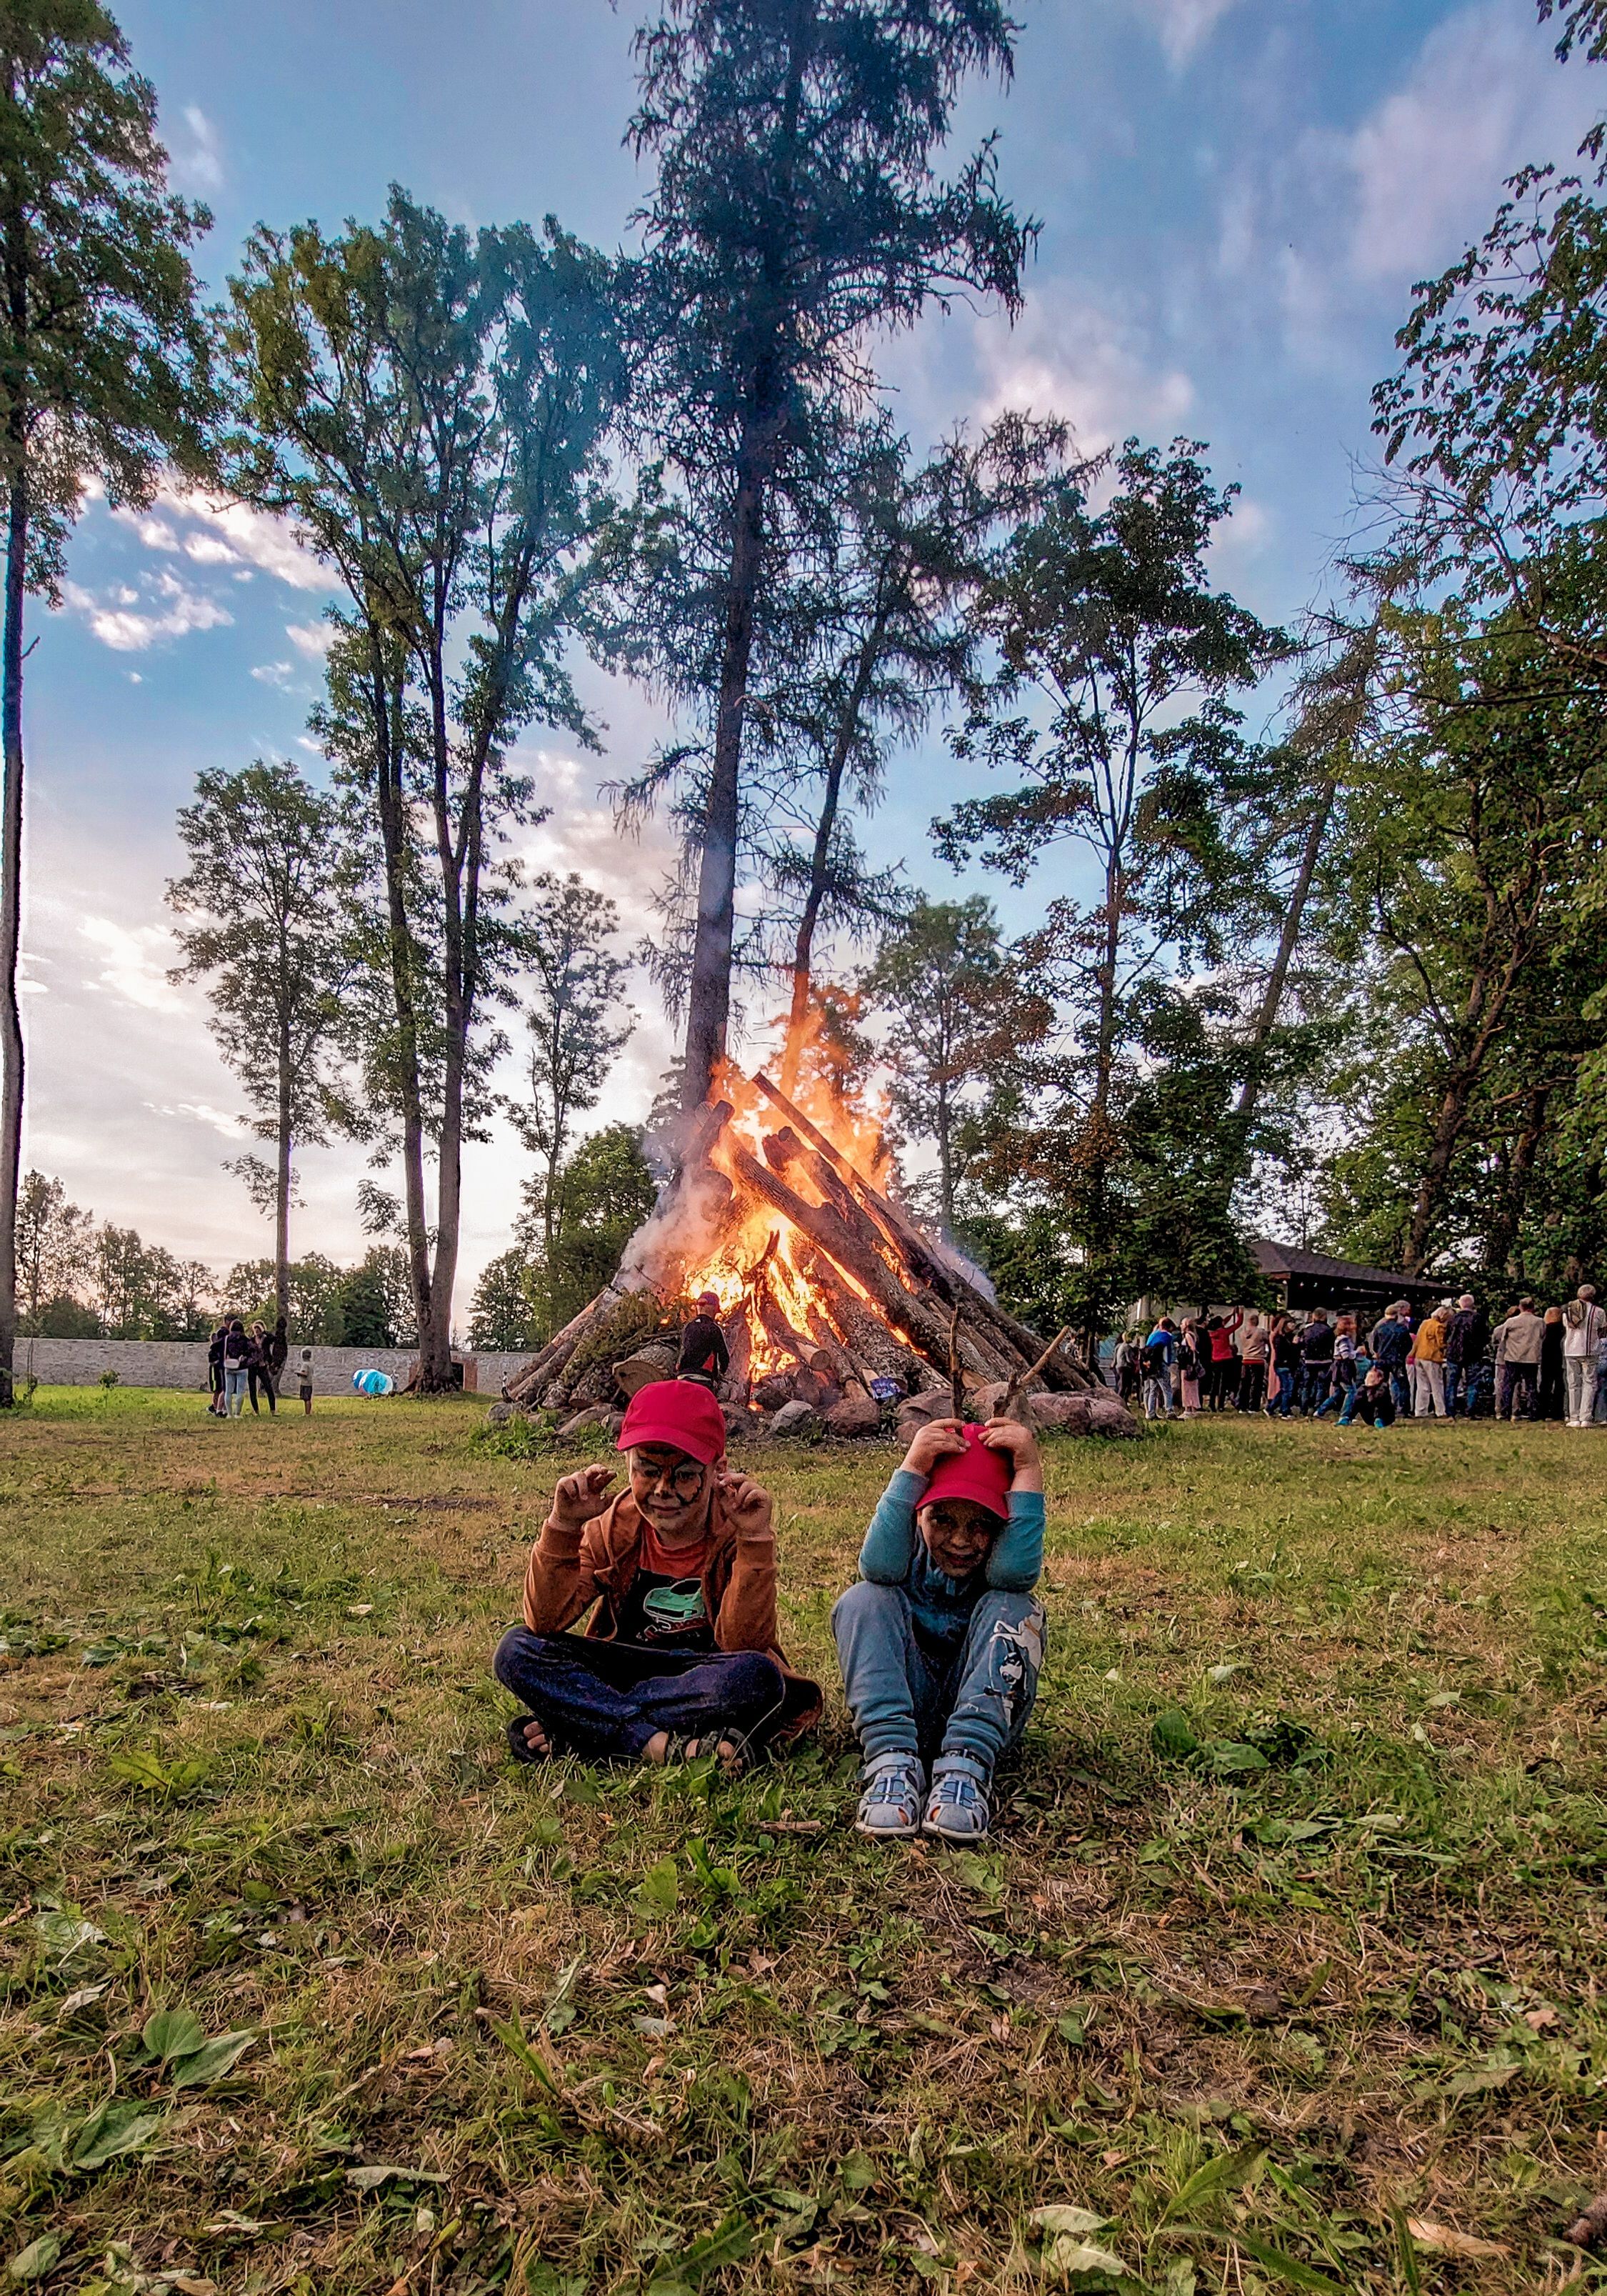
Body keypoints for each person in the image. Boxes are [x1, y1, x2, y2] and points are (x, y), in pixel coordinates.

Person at [494, 1379, 819, 1774]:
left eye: (683, 1475)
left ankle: (584, 1726)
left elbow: (744, 1645)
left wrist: (754, 1540)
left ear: (718, 1470)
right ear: (629, 1465)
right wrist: (563, 1526)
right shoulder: (612, 1525)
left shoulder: (738, 1524)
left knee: (757, 1678)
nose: (663, 1490)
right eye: (647, 1471)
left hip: (703, 1673)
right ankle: (658, 1744)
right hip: (626, 1664)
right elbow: (545, 1620)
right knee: (517, 1649)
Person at [833, 1414, 1045, 1845]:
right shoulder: (903, 1560)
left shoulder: (997, 1575)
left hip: (979, 1721)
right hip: (902, 1712)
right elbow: (876, 1567)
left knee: (1016, 1609)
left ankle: (967, 1769)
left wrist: (1027, 1470)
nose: (962, 1541)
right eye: (942, 1520)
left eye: (981, 1524)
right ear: (918, 1516)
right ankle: (891, 1763)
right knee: (863, 1599)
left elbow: (1016, 1575)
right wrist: (912, 1470)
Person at [1493, 1297, 1545, 1420]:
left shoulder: (1511, 1322)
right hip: (1531, 1358)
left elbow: (1501, 1336)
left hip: (1513, 1357)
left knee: (1509, 1386)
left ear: (1520, 1307)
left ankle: (1506, 1411)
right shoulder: (1539, 1322)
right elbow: (1543, 1335)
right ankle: (1533, 1412)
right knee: (1531, 1386)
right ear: (1533, 1308)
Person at [1563, 1285, 1606, 1427]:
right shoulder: (1599, 1312)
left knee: (1573, 1383)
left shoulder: (1568, 1310)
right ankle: (1586, 1417)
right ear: (1592, 1296)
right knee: (1590, 1383)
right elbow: (1602, 1331)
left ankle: (1574, 1417)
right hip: (1590, 1350)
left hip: (1571, 1349)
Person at [1444, 1294, 1489, 1418]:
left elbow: (1446, 1336)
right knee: (1473, 1383)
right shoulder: (1478, 1318)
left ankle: (1450, 1412)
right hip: (1473, 1355)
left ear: (1460, 1304)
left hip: (1454, 1354)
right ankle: (1470, 1410)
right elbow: (1485, 1337)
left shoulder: (1452, 1319)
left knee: (1452, 1383)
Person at [676, 1291, 730, 1389]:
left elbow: (682, 1352)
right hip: (702, 1378)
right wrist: (721, 1373)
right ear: (712, 1308)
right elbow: (724, 1357)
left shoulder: (688, 1327)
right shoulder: (714, 1329)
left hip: (682, 1377)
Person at [1369, 1303, 1414, 1418]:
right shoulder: (1402, 1329)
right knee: (1403, 1385)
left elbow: (1374, 1346)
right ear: (1396, 1315)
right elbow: (1408, 1345)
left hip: (1382, 1360)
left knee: (1380, 1385)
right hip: (1397, 1360)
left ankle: (1379, 1410)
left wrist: (1378, 1354)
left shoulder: (1379, 1329)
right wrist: (1402, 1355)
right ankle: (1403, 1410)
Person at [1313, 1313, 1358, 1419]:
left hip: (1338, 1367)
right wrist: (1357, 1353)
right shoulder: (1343, 1339)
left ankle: (1320, 1411)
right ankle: (1345, 1415)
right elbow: (1345, 1355)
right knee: (1351, 1392)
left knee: (1337, 1394)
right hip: (1343, 1368)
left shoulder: (1342, 1338)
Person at [1408, 1302, 1448, 1419]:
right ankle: (1441, 1411)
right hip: (1432, 1358)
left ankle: (1420, 1411)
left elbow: (1418, 1340)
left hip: (1419, 1356)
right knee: (1437, 1385)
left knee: (1422, 1386)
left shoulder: (1425, 1323)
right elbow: (1441, 1344)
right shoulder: (1439, 1327)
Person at [1298, 1309, 1334, 1416]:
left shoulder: (1307, 1330)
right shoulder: (1328, 1330)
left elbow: (1302, 1343)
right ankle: (1318, 1409)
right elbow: (1331, 1346)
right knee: (1322, 1385)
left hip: (1309, 1360)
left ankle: (1303, 1409)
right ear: (1324, 1316)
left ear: (1314, 1316)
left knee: (1307, 1386)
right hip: (1325, 1360)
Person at [1338, 1364, 1397, 1429]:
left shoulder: (1383, 1387)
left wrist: (1371, 1389)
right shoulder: (1363, 1388)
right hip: (1369, 1418)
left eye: (1371, 1376)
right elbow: (1356, 1401)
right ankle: (1347, 1418)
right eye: (1368, 1376)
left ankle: (1379, 1420)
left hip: (1385, 1417)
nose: (1368, 1379)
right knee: (1358, 1400)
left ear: (1379, 1379)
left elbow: (1374, 1399)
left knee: (1380, 1402)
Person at [1141, 1317, 1176, 1420]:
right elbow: (1168, 1352)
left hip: (1151, 1366)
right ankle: (1169, 1411)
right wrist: (1168, 1363)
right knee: (1167, 1389)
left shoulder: (1153, 1335)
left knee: (1153, 1389)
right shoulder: (1168, 1336)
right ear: (1169, 1326)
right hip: (1161, 1365)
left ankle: (1151, 1413)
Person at [1205, 1310, 1241, 1412]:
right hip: (1226, 1359)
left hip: (1215, 1359)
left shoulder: (1211, 1333)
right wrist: (1239, 1314)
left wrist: (1231, 1314)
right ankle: (1220, 1405)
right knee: (1223, 1383)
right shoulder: (1224, 1332)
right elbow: (1238, 1323)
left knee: (1215, 1383)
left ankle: (1212, 1404)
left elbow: (1223, 1322)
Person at [1267, 1314, 1300, 1417]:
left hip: (1287, 1365)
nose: (1293, 1325)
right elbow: (1283, 1353)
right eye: (1291, 1323)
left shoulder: (1289, 1337)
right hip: (1282, 1365)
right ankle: (1284, 1411)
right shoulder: (1279, 1338)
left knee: (1284, 1389)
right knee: (1288, 1389)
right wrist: (1294, 1345)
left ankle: (1271, 1408)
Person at [1538, 1304, 1566, 1421]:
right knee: (1560, 1386)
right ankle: (1558, 1411)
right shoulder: (1564, 1330)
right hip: (1561, 1360)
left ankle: (1543, 1411)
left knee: (1545, 1386)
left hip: (1547, 1360)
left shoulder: (1545, 1329)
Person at [1237, 1313, 1268, 1414]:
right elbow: (1268, 1341)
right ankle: (1253, 1407)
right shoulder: (1261, 1332)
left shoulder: (1242, 1333)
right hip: (1257, 1359)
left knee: (1245, 1384)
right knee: (1256, 1384)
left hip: (1245, 1359)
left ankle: (1242, 1406)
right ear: (1256, 1321)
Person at [1176, 1319, 1204, 1417]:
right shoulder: (1193, 1335)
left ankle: (1187, 1408)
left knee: (1186, 1387)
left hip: (1186, 1364)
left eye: (1182, 1324)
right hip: (1191, 1364)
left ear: (1186, 1325)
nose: (1180, 1326)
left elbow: (1193, 1349)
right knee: (1193, 1387)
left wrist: (1181, 1349)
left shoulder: (1188, 1335)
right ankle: (1194, 1408)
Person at [206, 1321, 228, 1417]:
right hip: (215, 1371)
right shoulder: (214, 1350)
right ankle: (214, 1407)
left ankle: (221, 1407)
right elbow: (212, 1361)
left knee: (222, 1389)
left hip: (220, 1370)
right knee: (217, 1390)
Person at [1113, 1330, 1141, 1405]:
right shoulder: (1126, 1347)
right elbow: (1129, 1359)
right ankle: (1119, 1401)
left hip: (1120, 1366)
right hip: (1124, 1367)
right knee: (1124, 1386)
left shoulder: (1121, 1345)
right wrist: (1137, 1363)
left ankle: (1123, 1401)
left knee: (1125, 1385)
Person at [297, 1347, 315, 1416]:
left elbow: (305, 1374)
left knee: (306, 1399)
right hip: (310, 1383)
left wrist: (298, 1373)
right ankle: (309, 1412)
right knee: (308, 1399)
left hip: (305, 1384)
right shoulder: (311, 1364)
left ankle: (307, 1413)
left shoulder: (305, 1365)